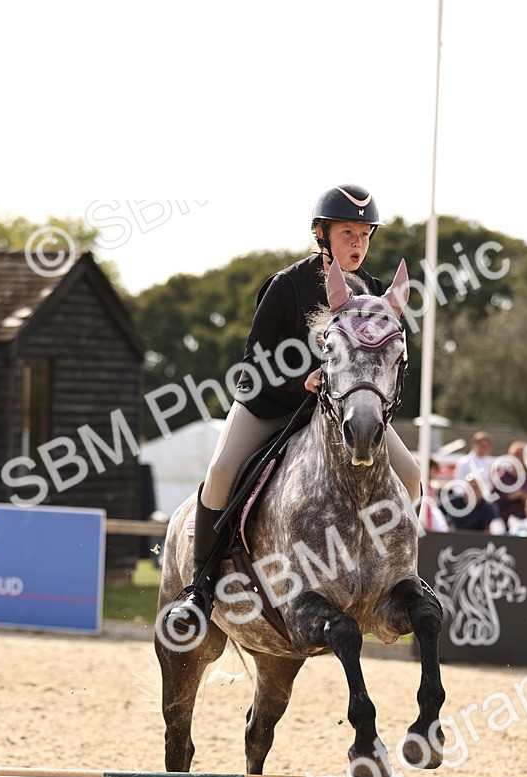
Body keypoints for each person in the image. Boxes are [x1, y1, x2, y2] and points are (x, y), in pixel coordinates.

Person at [168, 185, 422, 630]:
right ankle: (201, 588)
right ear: (321, 234)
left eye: (365, 234)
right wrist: (298, 382)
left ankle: (395, 574)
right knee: (222, 471)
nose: (358, 244)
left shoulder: (377, 294)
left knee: (413, 474)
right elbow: (251, 368)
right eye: (347, 233)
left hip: (340, 414)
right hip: (273, 406)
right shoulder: (286, 286)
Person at [492, 441, 527, 527]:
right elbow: (493, 500)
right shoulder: (502, 478)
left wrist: (526, 498)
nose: (519, 458)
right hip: (504, 523)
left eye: (522, 455)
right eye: (516, 455)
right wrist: (510, 497)